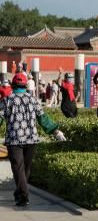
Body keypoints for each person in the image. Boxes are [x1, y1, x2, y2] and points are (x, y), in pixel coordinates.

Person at [0, 73, 66, 206]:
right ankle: (20, 193)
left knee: (18, 169)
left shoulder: (7, 100)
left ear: (12, 85)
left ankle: (23, 195)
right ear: (25, 85)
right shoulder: (33, 100)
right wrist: (55, 131)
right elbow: (43, 118)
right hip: (31, 139)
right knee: (25, 169)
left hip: (14, 140)